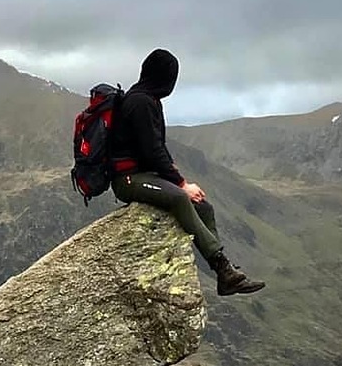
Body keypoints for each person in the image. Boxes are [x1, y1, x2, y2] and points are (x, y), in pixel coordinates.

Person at [110, 49, 265, 296]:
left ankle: (223, 274)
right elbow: (152, 151)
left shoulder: (149, 100)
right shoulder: (139, 102)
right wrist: (181, 184)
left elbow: (156, 148)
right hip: (128, 180)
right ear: (164, 77)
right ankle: (223, 267)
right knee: (181, 198)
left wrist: (178, 178)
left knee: (204, 206)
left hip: (144, 175)